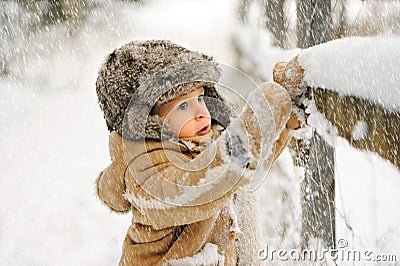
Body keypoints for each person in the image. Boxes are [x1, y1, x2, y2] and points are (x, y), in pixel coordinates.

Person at [95, 40, 299, 266]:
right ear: (150, 121)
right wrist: (249, 132)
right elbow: (194, 191)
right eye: (183, 106)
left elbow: (249, 163)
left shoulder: (202, 141)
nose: (201, 112)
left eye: (200, 98)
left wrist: (285, 114)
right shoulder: (144, 169)